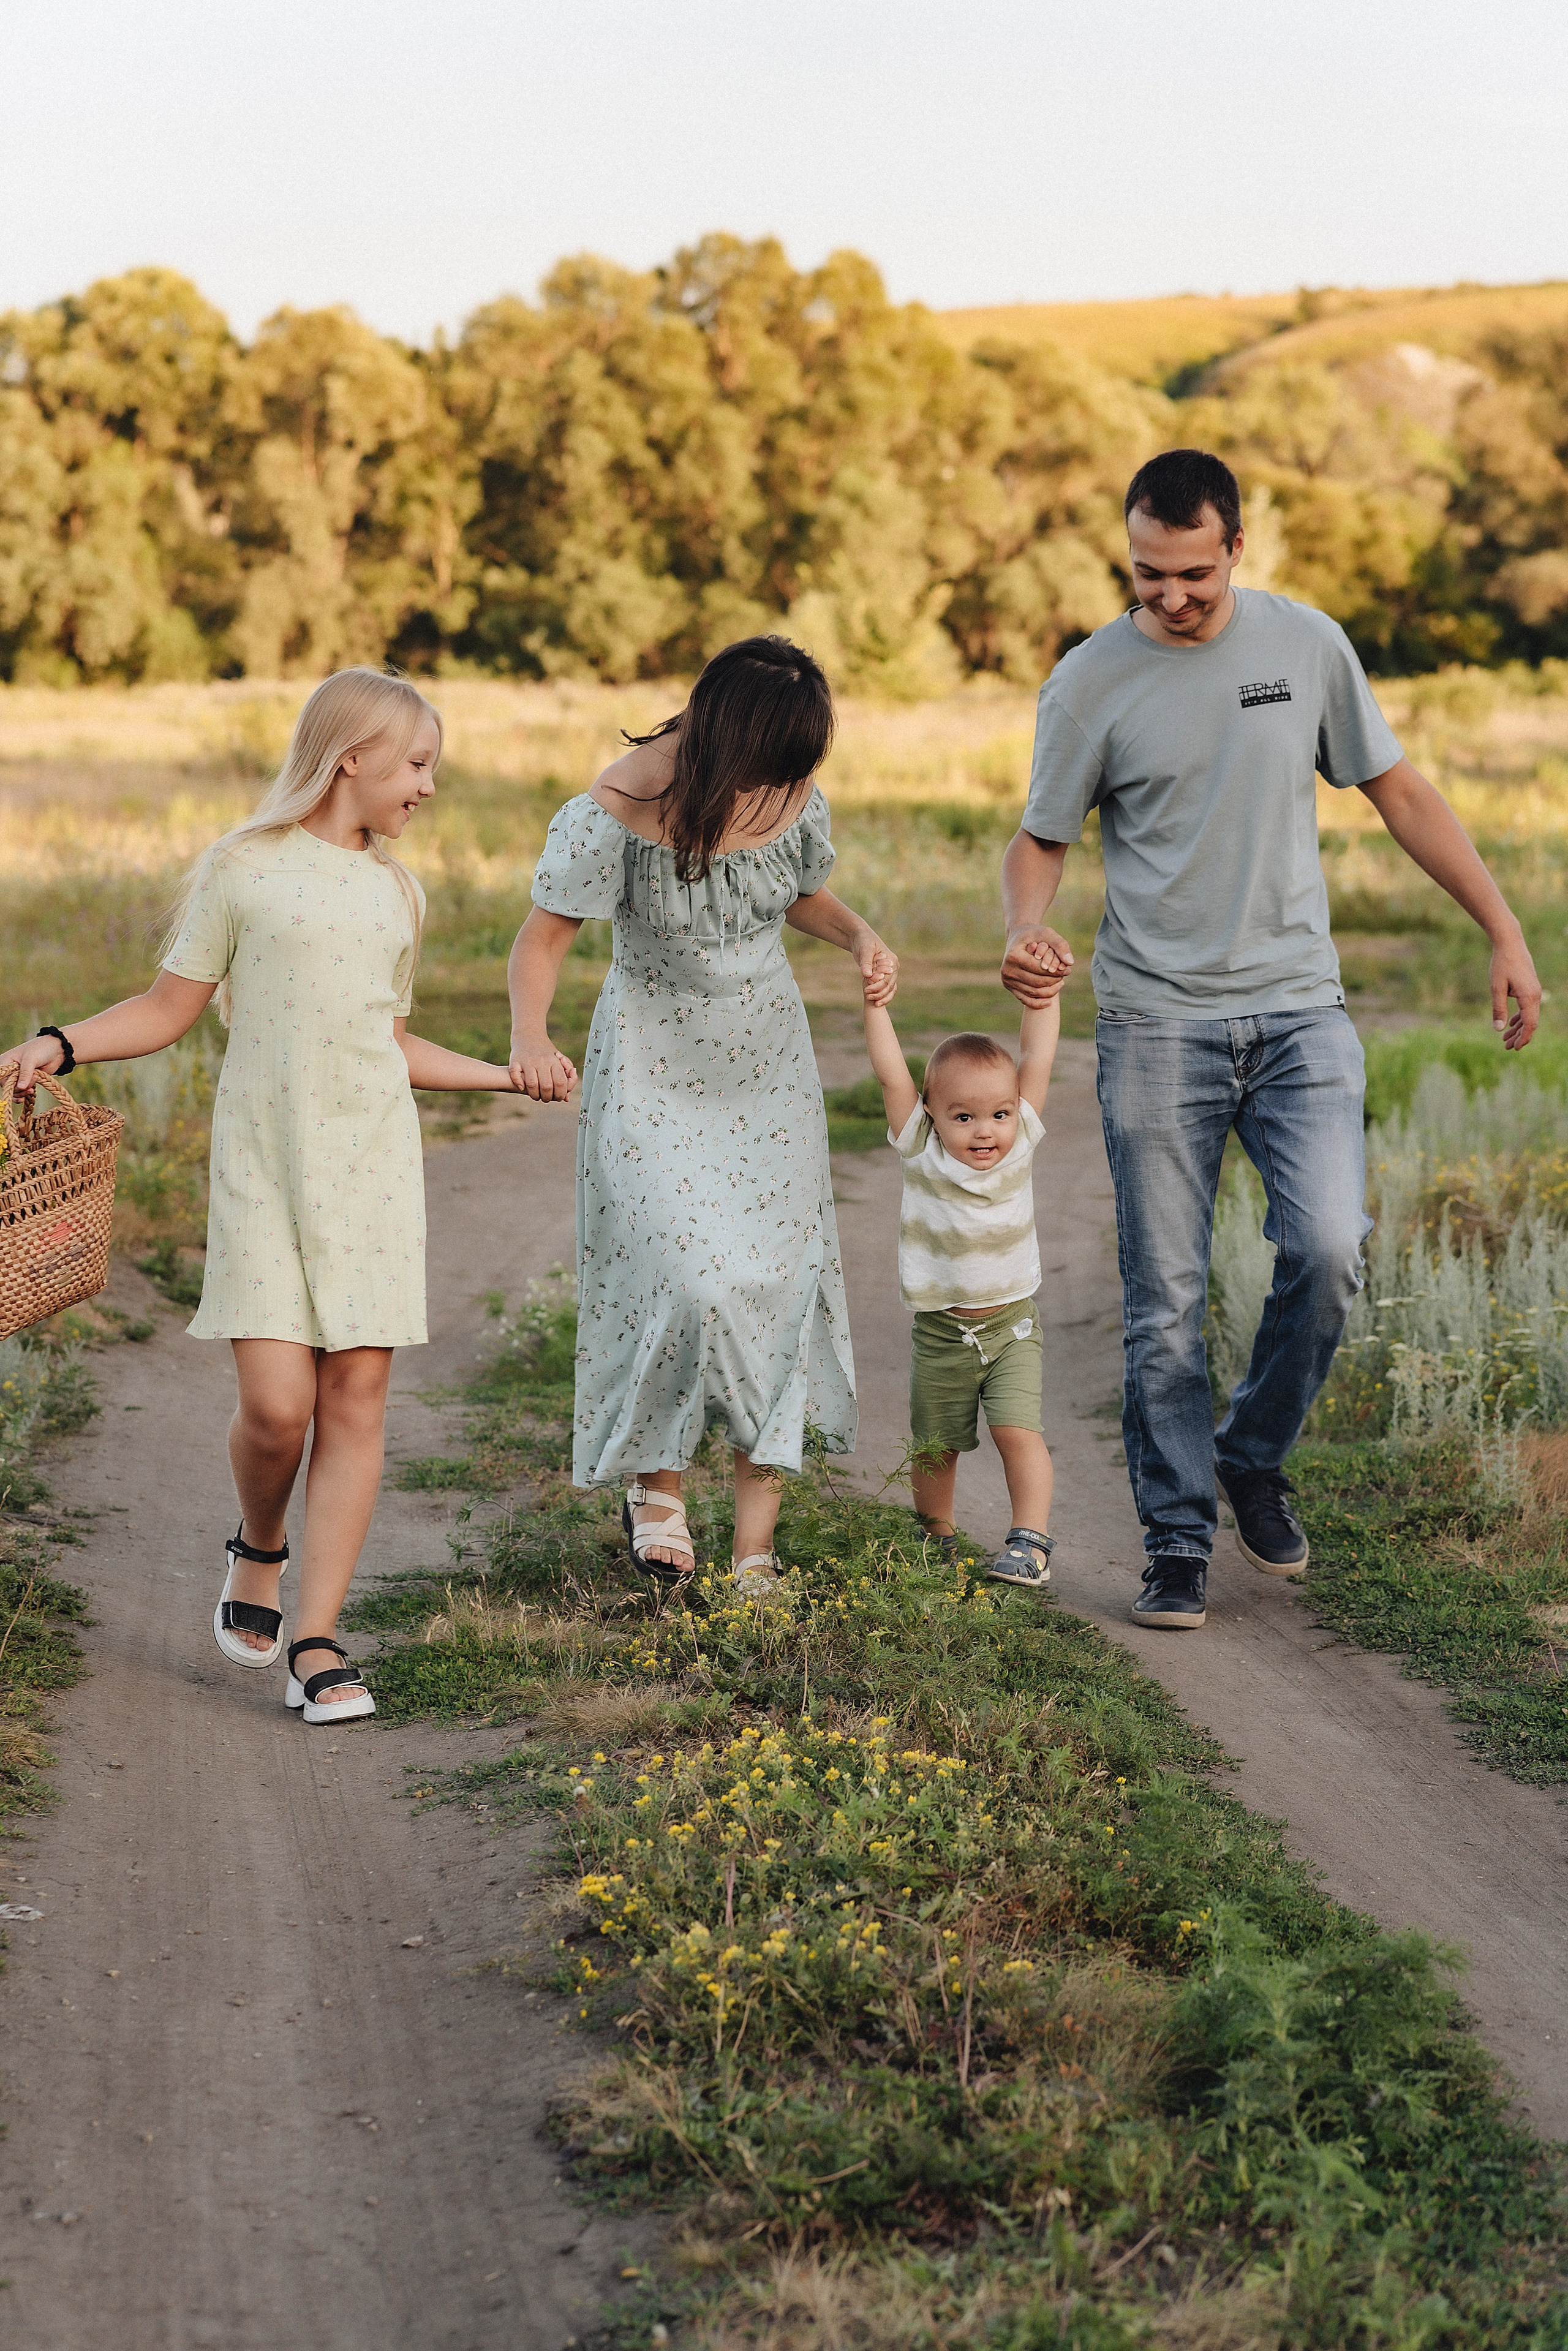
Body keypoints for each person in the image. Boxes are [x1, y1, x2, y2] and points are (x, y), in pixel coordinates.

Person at [999, 448, 1541, 1632]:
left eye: (1193, 573)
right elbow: (1041, 836)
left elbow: (1398, 790)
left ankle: (1252, 1452)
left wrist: (1501, 925)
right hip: (1156, 1020)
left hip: (1300, 1010)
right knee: (1165, 1299)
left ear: (1237, 547)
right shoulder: (1090, 680)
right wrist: (1026, 928)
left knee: (1330, 1245)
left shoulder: (1307, 647)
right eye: (1148, 575)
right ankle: (1179, 1538)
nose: (1172, 597)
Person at [1, 668, 529, 1719]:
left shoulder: (397, 892)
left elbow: (384, 1039)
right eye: (418, 763)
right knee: (280, 1409)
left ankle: (321, 1639)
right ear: (353, 760)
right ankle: (260, 1543)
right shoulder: (241, 868)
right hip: (263, 1170)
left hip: (373, 1170)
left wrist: (504, 1072)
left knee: (357, 1400)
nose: (428, 785)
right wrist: (61, 1043)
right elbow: (167, 1007)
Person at [507, 635, 896, 1596]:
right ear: (724, 731)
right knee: (680, 1275)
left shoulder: (790, 792)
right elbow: (541, 939)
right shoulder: (617, 811)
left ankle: (755, 1550)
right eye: (768, 766)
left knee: (770, 1283)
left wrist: (859, 935)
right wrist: (528, 1033)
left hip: (767, 1063)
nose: (779, 788)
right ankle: (655, 1487)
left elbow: (794, 891)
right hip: (651, 1061)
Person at [861, 981, 1061, 1588]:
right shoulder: (920, 1151)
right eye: (964, 1116)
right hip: (942, 1331)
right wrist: (876, 1005)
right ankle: (935, 1535)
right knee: (934, 1445)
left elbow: (1039, 1058)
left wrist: (1043, 998)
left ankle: (1030, 1541)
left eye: (999, 1113)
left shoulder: (1020, 1143)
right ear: (930, 1112)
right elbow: (892, 1074)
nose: (985, 1131)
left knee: (1015, 1429)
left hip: (1012, 1326)